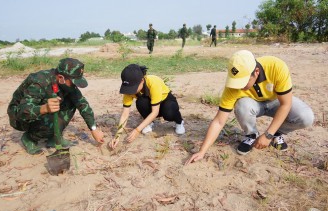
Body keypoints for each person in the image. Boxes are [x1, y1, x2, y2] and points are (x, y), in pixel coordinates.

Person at [186, 50, 314, 164]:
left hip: (276, 101)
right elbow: (219, 121)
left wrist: (268, 134)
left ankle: (277, 133)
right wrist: (202, 151)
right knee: (242, 105)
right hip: (252, 105)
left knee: (306, 117)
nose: (239, 86)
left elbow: (286, 104)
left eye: (243, 82)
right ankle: (251, 135)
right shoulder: (232, 86)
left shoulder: (276, 66)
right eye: (236, 82)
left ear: (256, 72)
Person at [7, 58, 105, 155]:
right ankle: (30, 138)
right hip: (19, 117)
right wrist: (44, 108)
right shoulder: (39, 82)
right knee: (50, 110)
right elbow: (22, 111)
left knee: (72, 102)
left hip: (38, 109)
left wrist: (94, 129)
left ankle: (53, 137)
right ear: (61, 77)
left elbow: (82, 104)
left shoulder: (68, 85)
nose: (75, 86)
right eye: (73, 82)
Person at [109, 64, 185, 149]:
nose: (130, 92)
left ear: (142, 81)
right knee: (140, 102)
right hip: (150, 103)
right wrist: (117, 135)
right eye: (128, 88)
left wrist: (137, 130)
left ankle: (179, 122)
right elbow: (125, 114)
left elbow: (155, 112)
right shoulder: (129, 90)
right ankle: (149, 122)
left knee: (169, 111)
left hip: (165, 101)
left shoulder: (153, 82)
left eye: (133, 88)